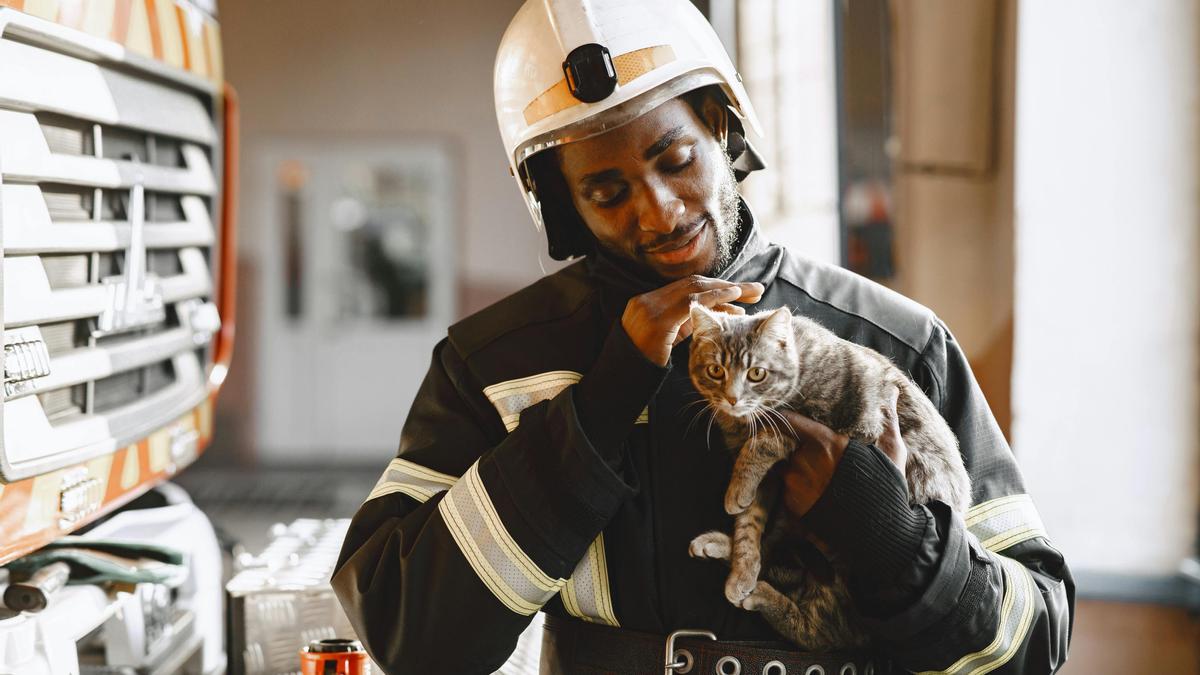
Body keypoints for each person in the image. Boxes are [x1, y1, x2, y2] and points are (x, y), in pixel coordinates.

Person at [331, 1, 1074, 673]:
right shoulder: (495, 365)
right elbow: (409, 636)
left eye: (675, 159)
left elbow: (1035, 639)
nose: (657, 213)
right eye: (607, 191)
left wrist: (891, 535)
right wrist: (599, 407)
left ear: (721, 126)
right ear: (561, 202)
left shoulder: (894, 344)